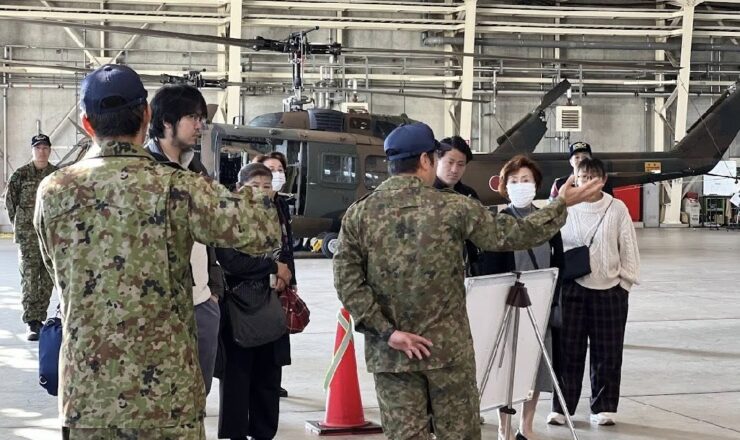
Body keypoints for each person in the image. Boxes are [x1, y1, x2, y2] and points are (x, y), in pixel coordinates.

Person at [33, 64, 281, 440]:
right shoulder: (179, 187)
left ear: (86, 123)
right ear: (147, 115)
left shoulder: (52, 191)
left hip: (89, 397)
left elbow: (55, 268)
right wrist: (261, 184)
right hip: (166, 398)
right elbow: (262, 232)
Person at [333, 122, 603, 440]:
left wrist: (388, 332)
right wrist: (560, 204)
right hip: (447, 352)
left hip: (392, 355)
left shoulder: (359, 214)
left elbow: (347, 282)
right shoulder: (453, 207)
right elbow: (515, 234)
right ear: (425, 160)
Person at [144, 84, 225, 396]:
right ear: (167, 122)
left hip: (202, 303)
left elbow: (210, 231)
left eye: (201, 118)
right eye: (193, 117)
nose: (200, 125)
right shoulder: (146, 170)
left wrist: (214, 288)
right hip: (161, 310)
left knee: (198, 397)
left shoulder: (195, 167)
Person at [475, 156, 564, 440]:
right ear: (505, 186)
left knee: (535, 367)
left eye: (526, 180)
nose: (520, 185)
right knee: (507, 368)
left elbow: (559, 263)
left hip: (540, 306)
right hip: (508, 307)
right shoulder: (498, 222)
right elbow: (489, 271)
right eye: (514, 181)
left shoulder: (548, 220)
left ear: (536, 184)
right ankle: (504, 427)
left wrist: (553, 299)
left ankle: (526, 425)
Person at [548, 157, 639, 427]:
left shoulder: (617, 208)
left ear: (603, 180)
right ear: (574, 179)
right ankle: (562, 406)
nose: (587, 182)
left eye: (592, 178)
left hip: (610, 291)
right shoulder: (565, 207)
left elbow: (628, 247)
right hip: (572, 288)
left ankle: (604, 406)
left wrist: (624, 284)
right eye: (582, 177)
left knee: (608, 351)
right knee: (567, 351)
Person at [215, 163, 293, 440]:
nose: (261, 192)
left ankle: (264, 433)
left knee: (269, 375)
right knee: (237, 376)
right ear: (239, 188)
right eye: (253, 186)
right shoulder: (227, 215)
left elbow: (286, 253)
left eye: (267, 186)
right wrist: (272, 267)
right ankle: (235, 434)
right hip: (238, 304)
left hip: (270, 303)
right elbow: (230, 261)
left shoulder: (277, 214)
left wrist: (285, 276)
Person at [3, 133, 58, 340]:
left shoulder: (56, 175)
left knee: (47, 278)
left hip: (50, 234)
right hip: (28, 236)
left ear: (49, 150)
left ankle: (40, 316)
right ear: (32, 150)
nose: (41, 151)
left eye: (45, 148)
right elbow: (10, 203)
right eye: (38, 148)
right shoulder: (21, 175)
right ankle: (32, 321)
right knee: (29, 277)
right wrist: (20, 225)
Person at [253, 151, 296, 398]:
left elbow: (287, 243)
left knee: (280, 332)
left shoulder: (281, 204)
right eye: (271, 170)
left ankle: (273, 380)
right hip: (261, 278)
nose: (277, 174)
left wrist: (290, 278)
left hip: (282, 277)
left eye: (280, 170)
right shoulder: (251, 206)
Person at [432, 136, 483, 276]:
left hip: (469, 272)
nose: (455, 170)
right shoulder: (425, 194)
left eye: (461, 164)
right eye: (450, 162)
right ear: (437, 160)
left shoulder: (469, 195)